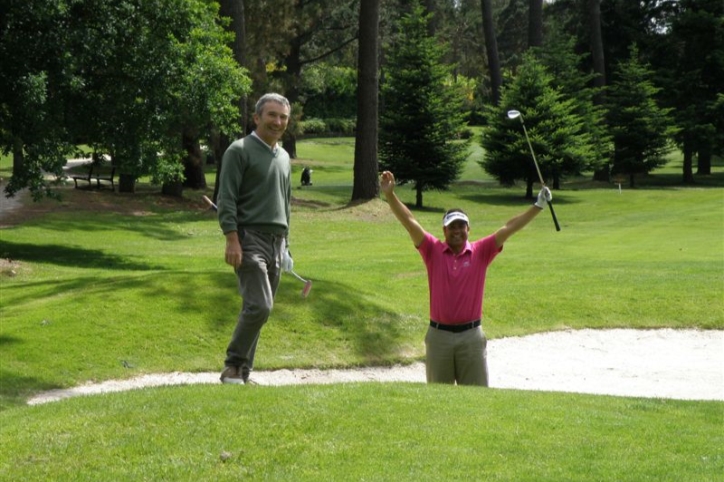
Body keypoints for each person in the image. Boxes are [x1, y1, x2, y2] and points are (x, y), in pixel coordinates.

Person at [380, 170, 551, 386]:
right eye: (452, 226)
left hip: (471, 337)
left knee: (476, 401)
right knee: (438, 402)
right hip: (439, 336)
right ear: (444, 230)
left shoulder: (481, 251)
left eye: (461, 225)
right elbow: (409, 221)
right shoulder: (432, 250)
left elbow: (508, 228)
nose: (457, 230)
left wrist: (538, 206)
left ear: (468, 228)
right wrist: (390, 195)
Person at [216, 93, 292, 384]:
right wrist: (231, 239)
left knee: (259, 310)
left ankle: (244, 374)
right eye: (272, 115)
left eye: (283, 116)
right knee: (260, 306)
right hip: (249, 239)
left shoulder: (283, 156)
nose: (278, 121)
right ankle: (232, 366)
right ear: (257, 117)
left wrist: (286, 244)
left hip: (276, 242)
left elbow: (286, 203)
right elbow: (226, 198)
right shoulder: (239, 150)